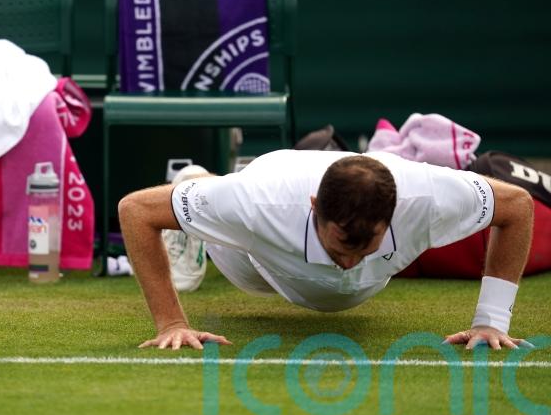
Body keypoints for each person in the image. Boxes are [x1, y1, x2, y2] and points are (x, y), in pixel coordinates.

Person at [118, 149, 534, 350]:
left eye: (365, 244)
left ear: (393, 215)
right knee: (211, 218)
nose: (350, 261)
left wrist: (491, 321)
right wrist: (172, 323)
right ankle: (196, 182)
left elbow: (517, 205)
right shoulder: (257, 203)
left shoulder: (428, 198)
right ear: (315, 207)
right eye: (341, 242)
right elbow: (135, 210)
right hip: (253, 263)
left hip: (366, 284)